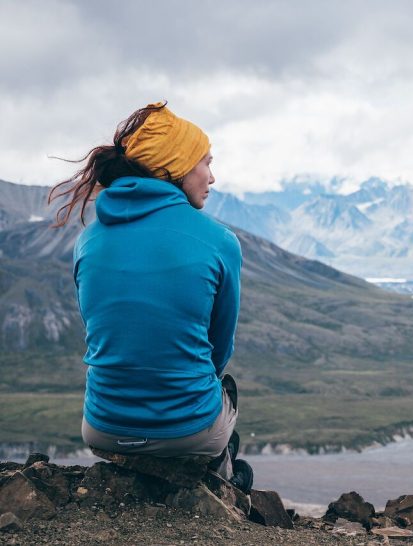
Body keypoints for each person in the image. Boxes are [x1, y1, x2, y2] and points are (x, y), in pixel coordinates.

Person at [49, 101, 253, 492]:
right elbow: (218, 349)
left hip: (102, 426)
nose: (212, 176)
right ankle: (222, 474)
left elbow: (106, 332)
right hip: (189, 430)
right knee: (223, 388)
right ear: (174, 167)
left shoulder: (87, 241)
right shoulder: (219, 241)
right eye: (205, 162)